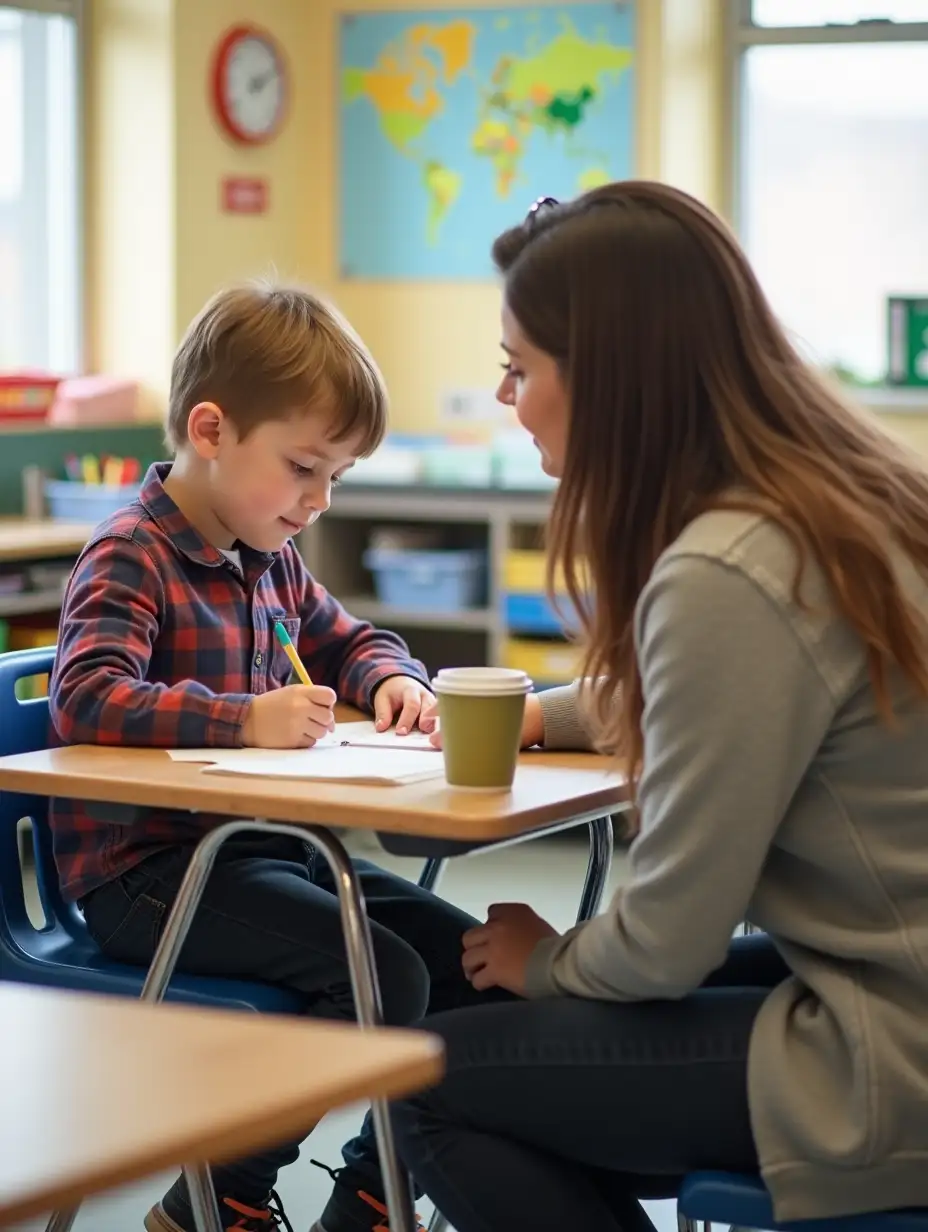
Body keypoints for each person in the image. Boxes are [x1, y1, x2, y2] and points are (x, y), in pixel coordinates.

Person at [392, 181, 928, 1232]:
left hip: (889, 1050)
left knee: (422, 1071)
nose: (507, 398)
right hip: (887, 986)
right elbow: (758, 684)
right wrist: (550, 713)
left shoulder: (726, 569)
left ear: (604, 377)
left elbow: (662, 945)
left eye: (518, 368)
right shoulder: (838, 495)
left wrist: (546, 956)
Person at [47, 283, 534, 1232]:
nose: (317, 501)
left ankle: (372, 1195)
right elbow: (86, 695)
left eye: (337, 479)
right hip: (146, 876)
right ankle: (213, 1197)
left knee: (459, 960)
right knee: (383, 973)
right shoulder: (130, 555)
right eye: (304, 467)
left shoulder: (268, 557)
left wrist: (398, 680)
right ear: (212, 428)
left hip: (256, 853)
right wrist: (241, 720)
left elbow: (354, 639)